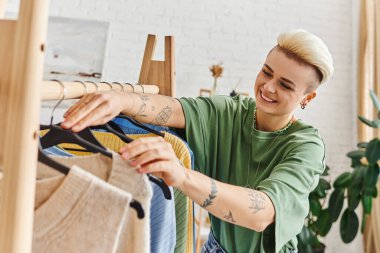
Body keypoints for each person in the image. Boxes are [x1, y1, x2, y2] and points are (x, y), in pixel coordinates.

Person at [61, 29, 334, 253]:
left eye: (285, 85)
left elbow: (261, 213)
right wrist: (122, 99)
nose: (268, 87)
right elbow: (172, 109)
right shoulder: (230, 112)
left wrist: (181, 176)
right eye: (266, 72)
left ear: (307, 98)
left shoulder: (305, 146)